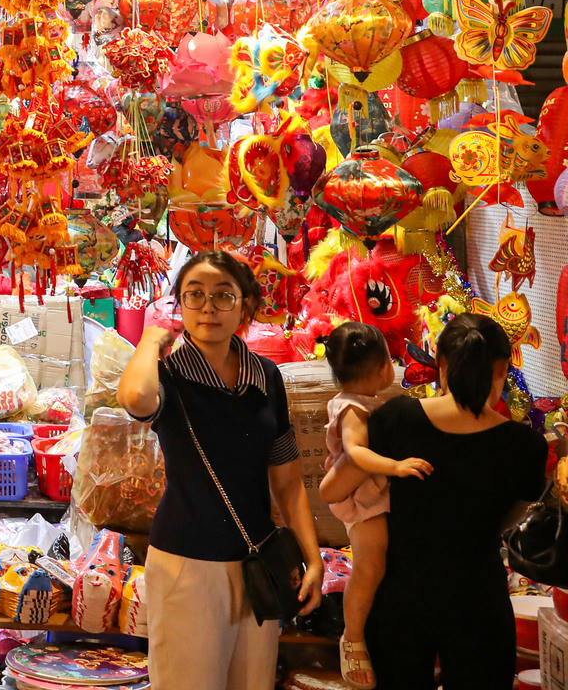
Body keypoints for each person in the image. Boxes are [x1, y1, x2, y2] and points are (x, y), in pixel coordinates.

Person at [116, 250, 323, 690]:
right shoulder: (168, 374)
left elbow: (287, 480)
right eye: (194, 295)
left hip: (258, 564)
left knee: (253, 683)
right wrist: (152, 340)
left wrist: (313, 557)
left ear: (245, 306)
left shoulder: (266, 377)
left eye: (223, 296)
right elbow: (135, 399)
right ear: (181, 306)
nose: (208, 307)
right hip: (186, 566)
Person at [364, 313, 548, 689]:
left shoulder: (397, 419)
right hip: (477, 596)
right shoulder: (524, 445)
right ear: (502, 368)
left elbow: (358, 487)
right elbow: (514, 515)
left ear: (442, 364)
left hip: (400, 593)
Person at [317, 322, 433, 689]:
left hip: (366, 495)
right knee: (368, 568)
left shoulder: (360, 403)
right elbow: (356, 453)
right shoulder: (353, 409)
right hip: (361, 499)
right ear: (385, 366)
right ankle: (351, 636)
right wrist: (396, 467)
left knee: (374, 565)